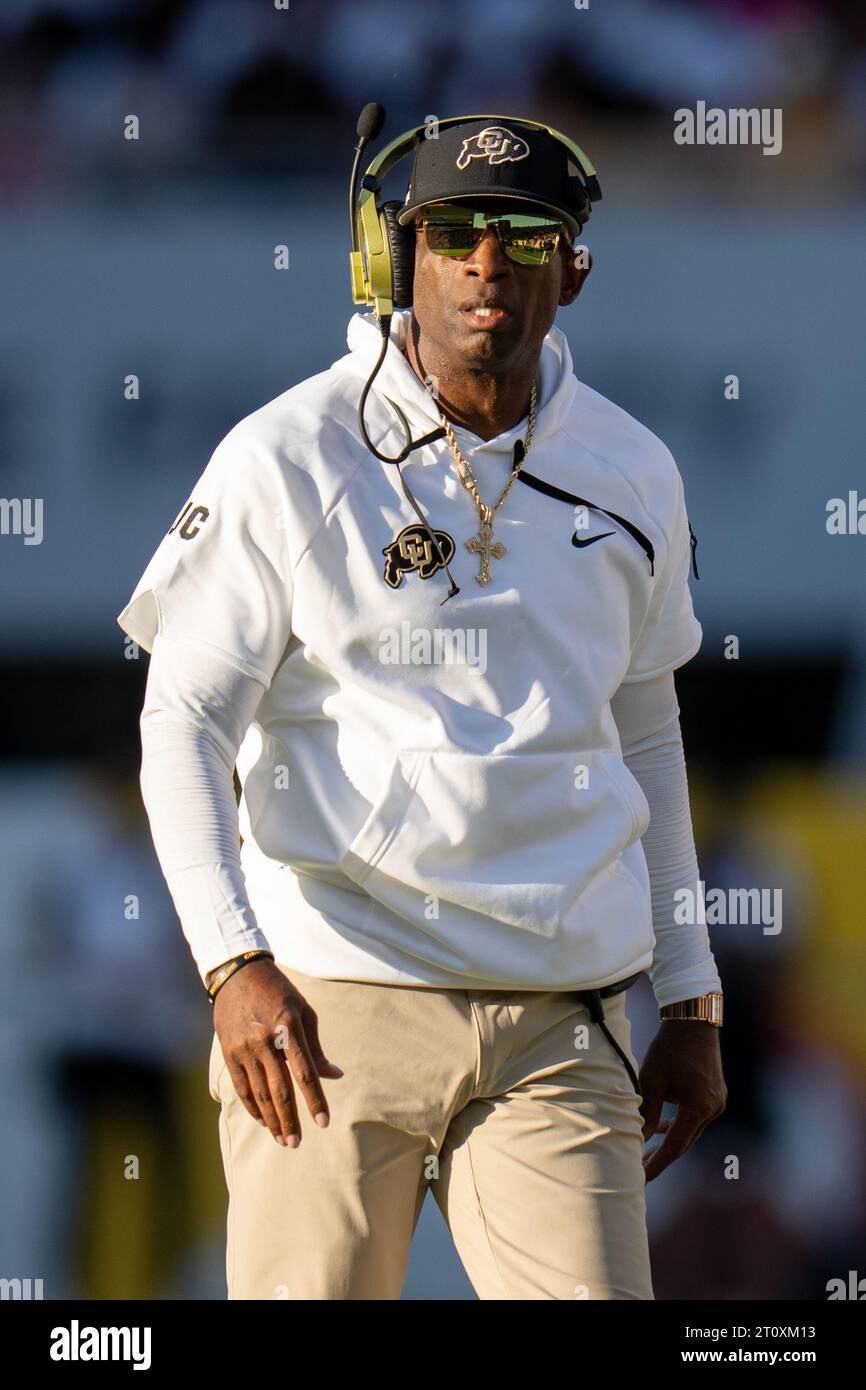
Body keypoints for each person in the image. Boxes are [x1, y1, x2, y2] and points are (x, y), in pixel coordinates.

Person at [117, 115, 726, 1300]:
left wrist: (689, 995)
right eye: (453, 235)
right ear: (395, 257)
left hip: (561, 1012)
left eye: (522, 236)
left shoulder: (633, 467)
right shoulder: (287, 456)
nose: (485, 265)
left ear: (571, 268)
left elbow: (643, 731)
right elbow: (181, 720)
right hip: (330, 999)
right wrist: (231, 963)